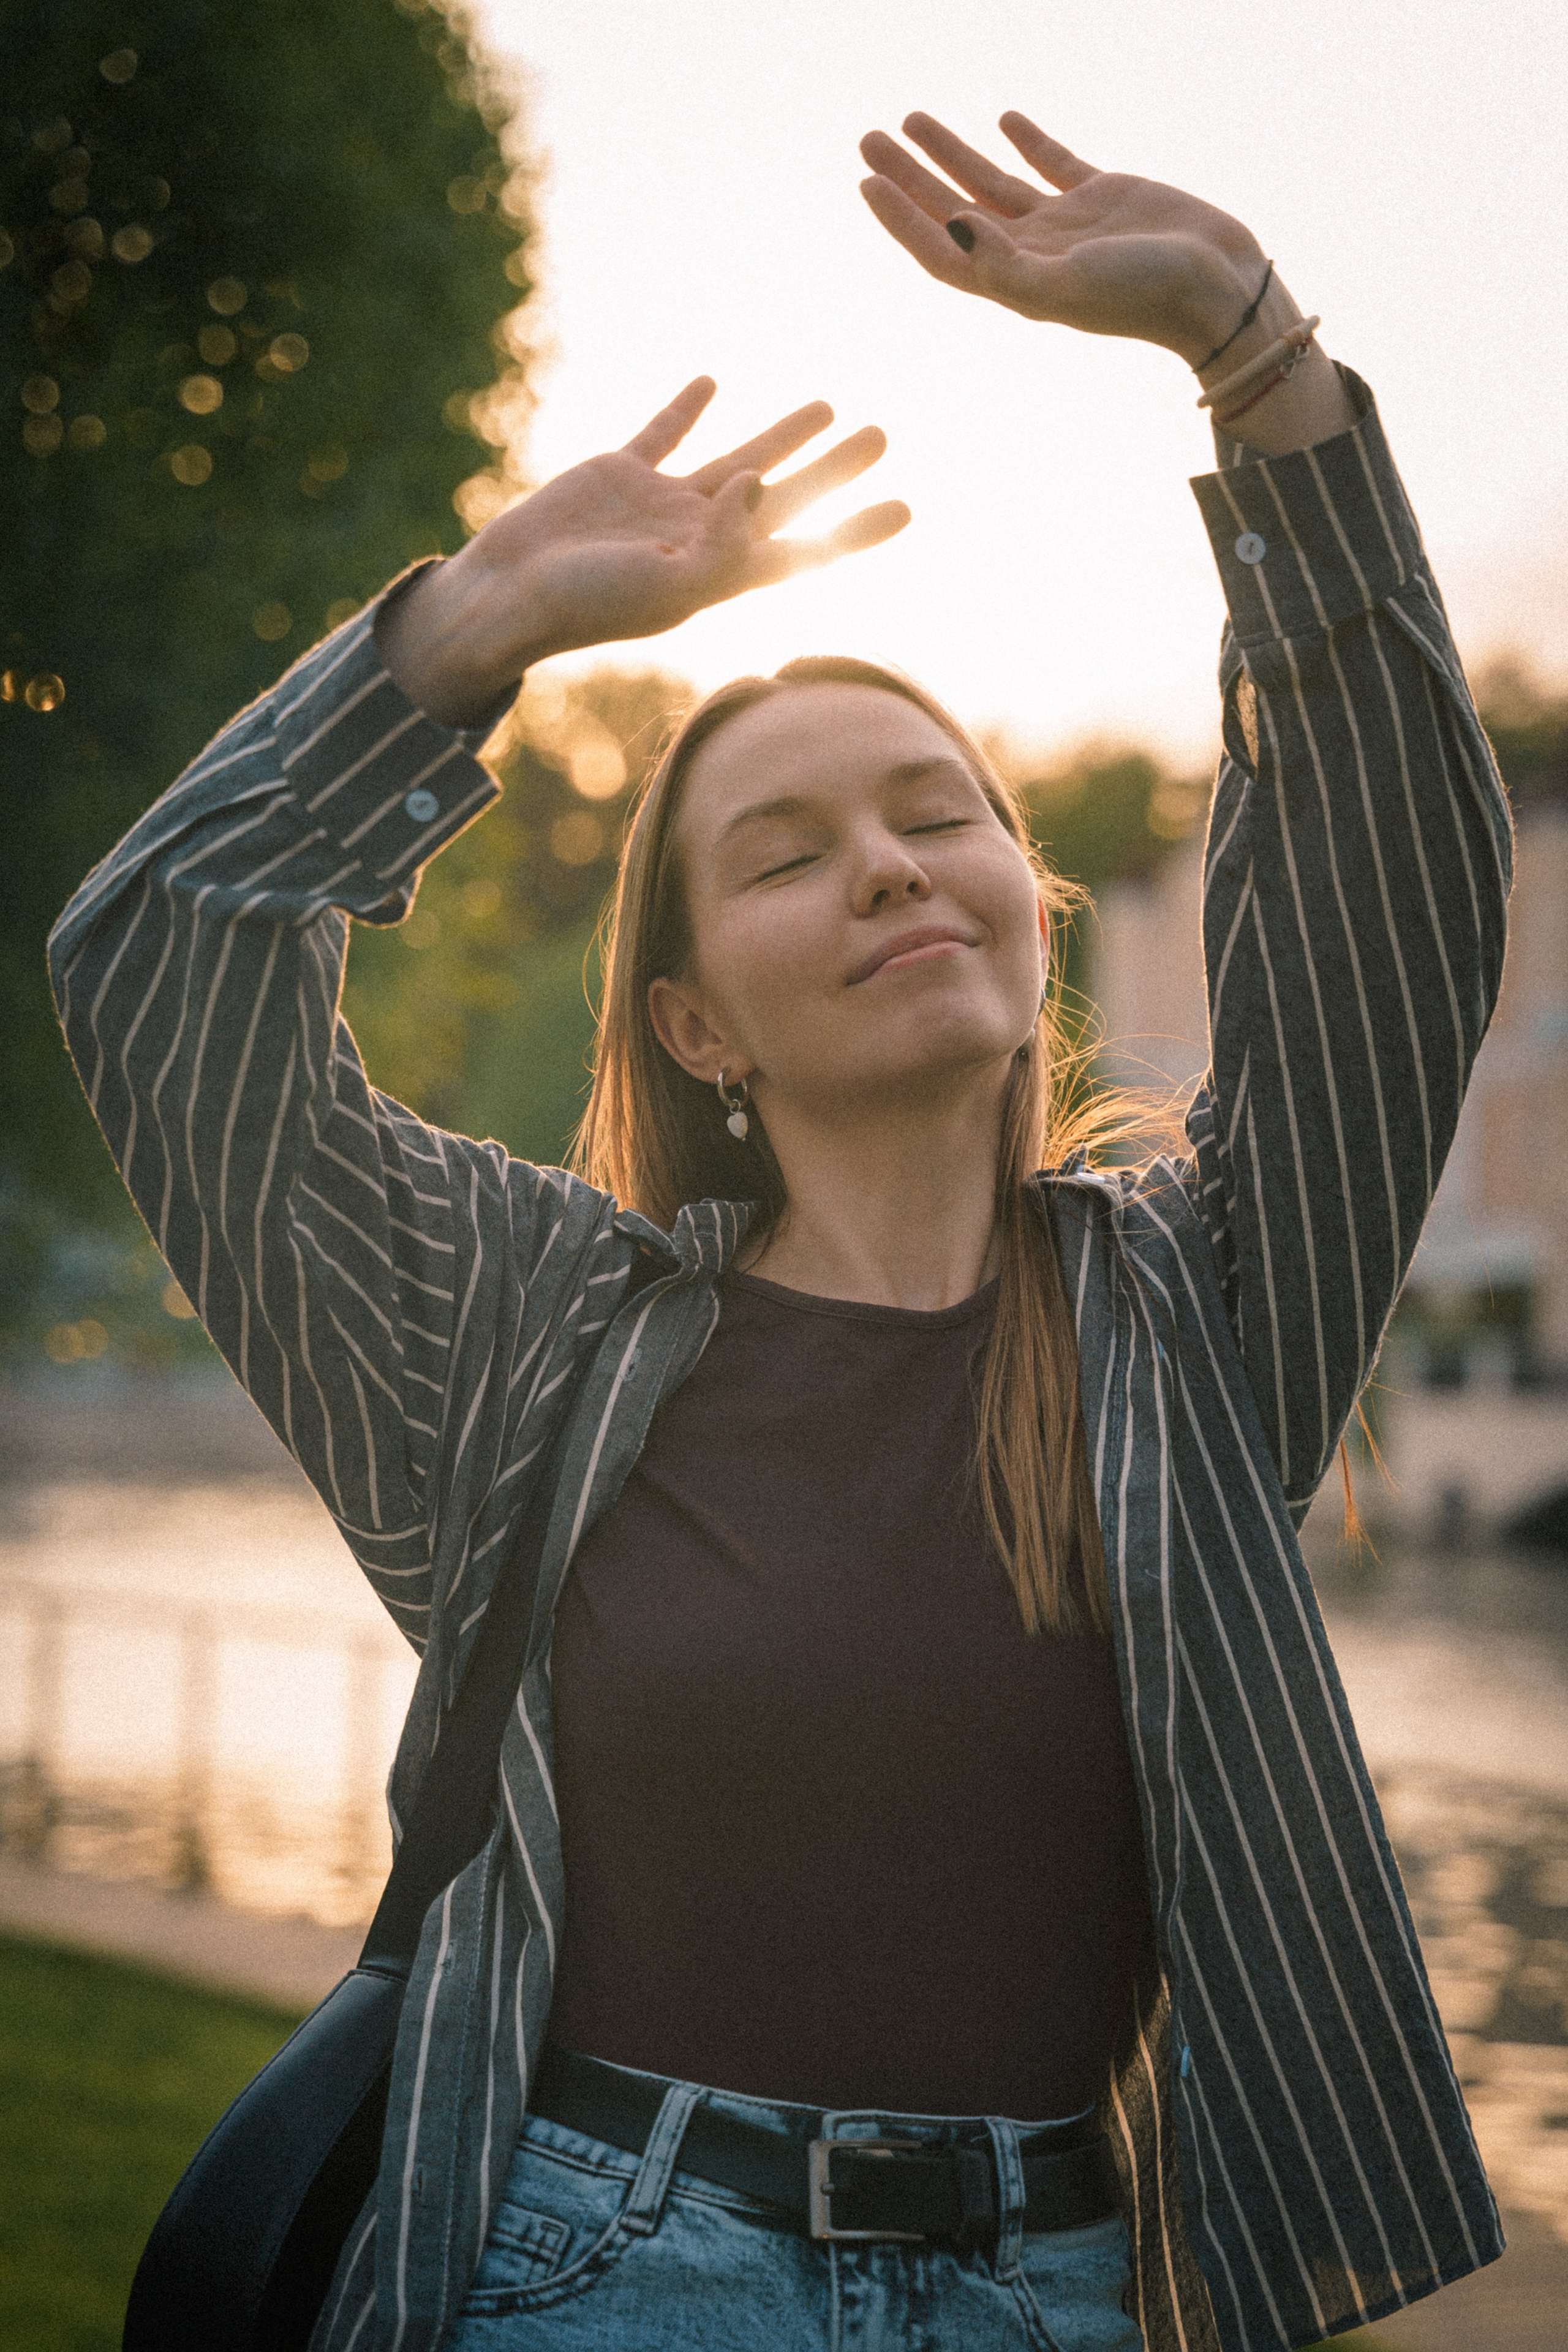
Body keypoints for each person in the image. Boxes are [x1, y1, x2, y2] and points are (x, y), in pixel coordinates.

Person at [50, 110, 1510, 2352]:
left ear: (1031, 906)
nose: (896, 867)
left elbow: (1385, 897)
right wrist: (480, 626)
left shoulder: (1191, 1316)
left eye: (941, 818)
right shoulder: (528, 1332)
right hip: (594, 2268)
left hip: (1074, 2290)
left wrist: (1255, 355)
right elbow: (163, 970)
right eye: (792, 850)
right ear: (693, 1022)